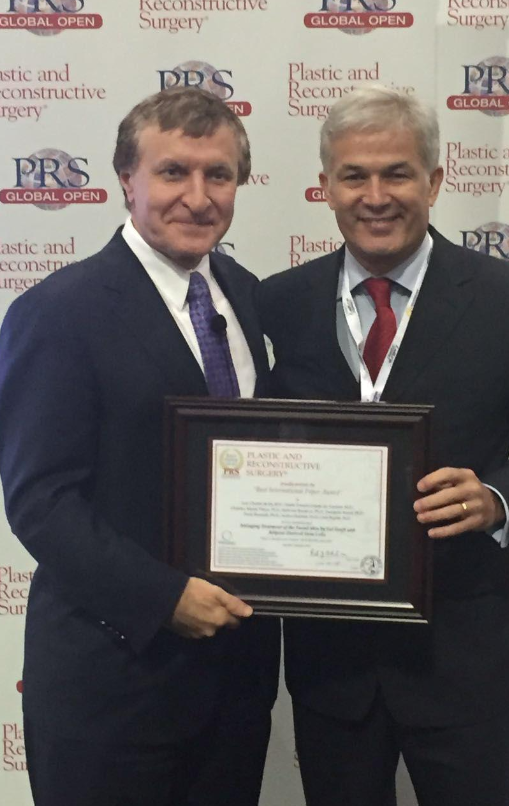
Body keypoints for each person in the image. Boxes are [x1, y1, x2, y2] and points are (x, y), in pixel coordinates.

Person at [257, 85, 509, 806]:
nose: (376, 196)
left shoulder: (508, 300)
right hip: (330, 663)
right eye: (354, 176)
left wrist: (497, 498)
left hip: (460, 661)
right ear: (326, 186)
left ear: (435, 181)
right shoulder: (280, 302)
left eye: (398, 174)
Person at [0, 87, 280, 806]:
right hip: (111, 684)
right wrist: (164, 598)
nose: (198, 197)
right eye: (173, 172)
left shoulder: (250, 298)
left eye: (218, 175)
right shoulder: (57, 312)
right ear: (127, 180)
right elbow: (40, 501)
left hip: (236, 679)